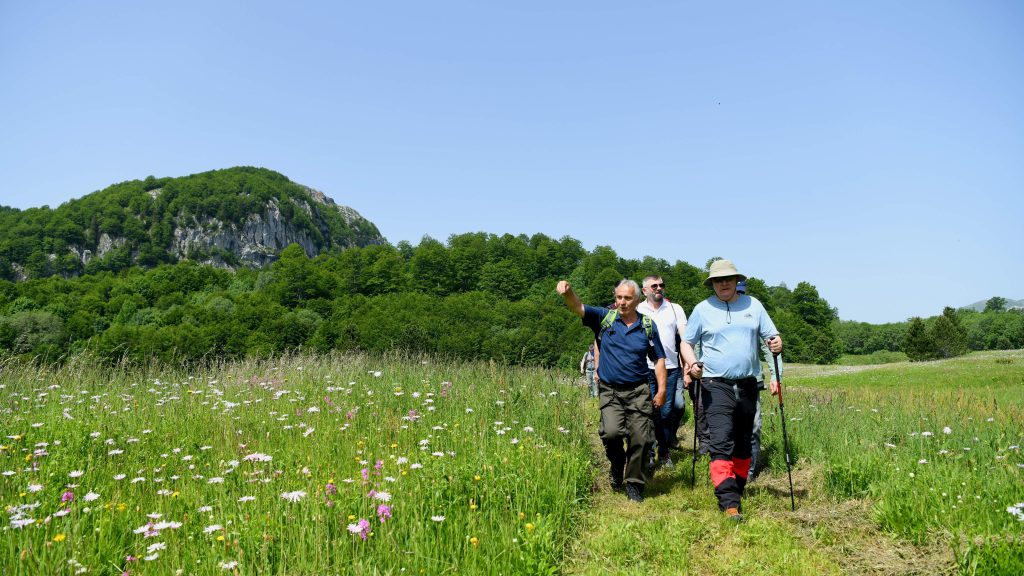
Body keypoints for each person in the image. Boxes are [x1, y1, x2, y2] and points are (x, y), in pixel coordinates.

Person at [680, 260, 782, 520]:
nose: (723, 283)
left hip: (748, 384)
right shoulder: (702, 310)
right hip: (715, 384)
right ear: (712, 283)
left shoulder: (754, 305)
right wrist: (692, 363)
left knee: (744, 442)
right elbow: (686, 343)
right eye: (718, 280)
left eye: (728, 279)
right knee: (721, 440)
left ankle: (735, 488)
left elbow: (772, 339)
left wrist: (776, 359)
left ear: (737, 281)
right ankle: (729, 503)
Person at [557, 278, 667, 503]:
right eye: (619, 297)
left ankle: (634, 483)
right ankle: (617, 464)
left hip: (638, 390)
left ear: (637, 299)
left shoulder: (647, 325)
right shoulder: (604, 319)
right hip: (611, 391)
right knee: (611, 433)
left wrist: (662, 390)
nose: (622, 302)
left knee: (641, 438)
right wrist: (568, 291)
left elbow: (659, 360)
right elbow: (577, 307)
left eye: (627, 298)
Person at [636, 275, 688, 471]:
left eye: (661, 285)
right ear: (644, 291)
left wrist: (689, 365)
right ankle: (651, 453)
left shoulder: (675, 309)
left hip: (671, 367)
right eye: (654, 285)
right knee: (649, 412)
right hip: (645, 368)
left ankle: (664, 450)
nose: (659, 288)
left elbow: (685, 338)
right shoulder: (638, 309)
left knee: (667, 412)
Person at [734, 280, 782, 481]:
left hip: (751, 380)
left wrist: (776, 375)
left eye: (741, 291)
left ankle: (749, 472)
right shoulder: (715, 312)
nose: (738, 295)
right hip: (719, 381)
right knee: (726, 429)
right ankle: (728, 471)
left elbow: (769, 345)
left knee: (753, 427)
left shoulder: (753, 313)